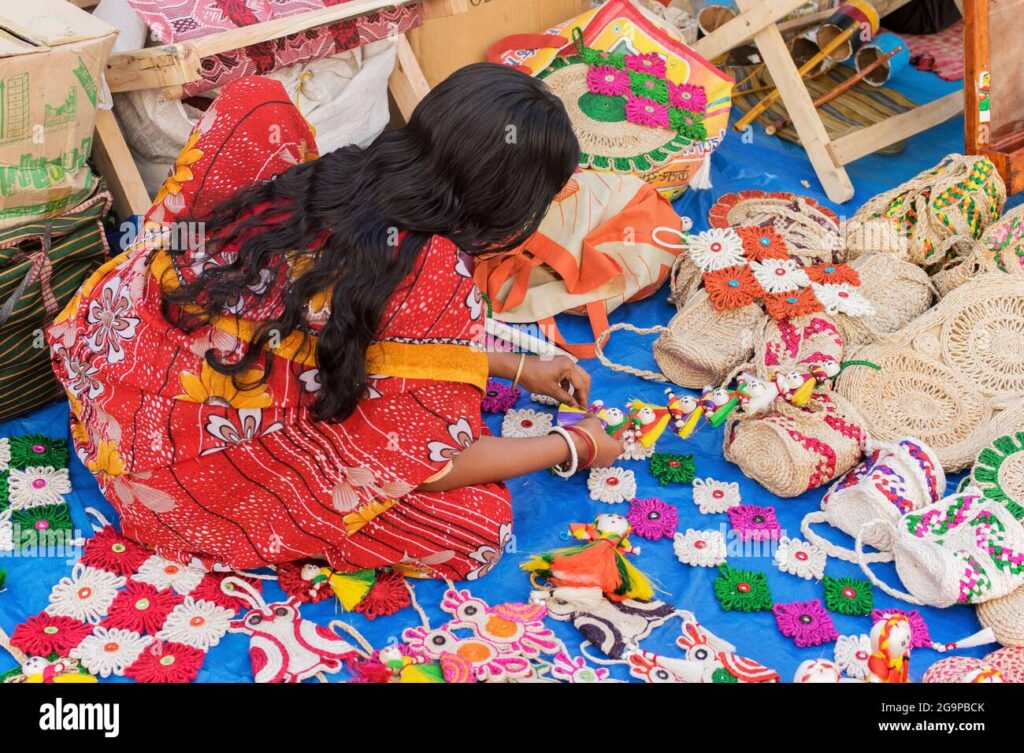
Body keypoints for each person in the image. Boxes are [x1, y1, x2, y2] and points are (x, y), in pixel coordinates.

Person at [47, 64, 623, 580]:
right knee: (474, 527)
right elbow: (430, 463)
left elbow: (338, 334)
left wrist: (515, 366)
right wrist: (571, 444)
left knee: (260, 107)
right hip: (180, 483)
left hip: (117, 379)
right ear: (508, 199)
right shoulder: (435, 271)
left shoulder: (337, 174)